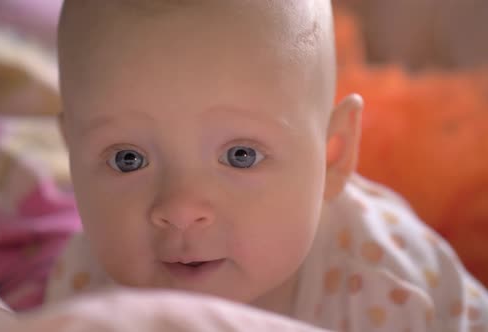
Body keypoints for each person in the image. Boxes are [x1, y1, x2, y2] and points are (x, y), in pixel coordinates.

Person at [53, 0, 488, 331]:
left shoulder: (397, 293)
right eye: (128, 160)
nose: (181, 208)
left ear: (334, 153)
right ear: (71, 151)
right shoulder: (86, 287)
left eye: (241, 155)